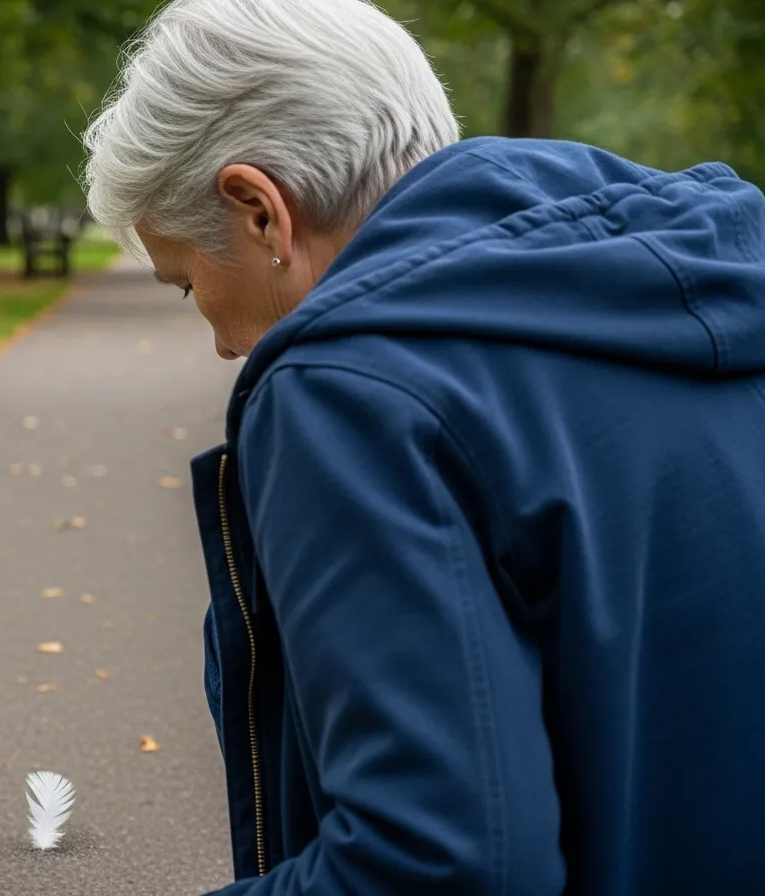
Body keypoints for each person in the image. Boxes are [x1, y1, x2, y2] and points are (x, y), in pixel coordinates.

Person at [82, 0, 765, 893]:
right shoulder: (715, 280)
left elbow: (436, 864)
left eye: (187, 284)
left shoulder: (351, 394)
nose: (218, 341)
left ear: (259, 211)